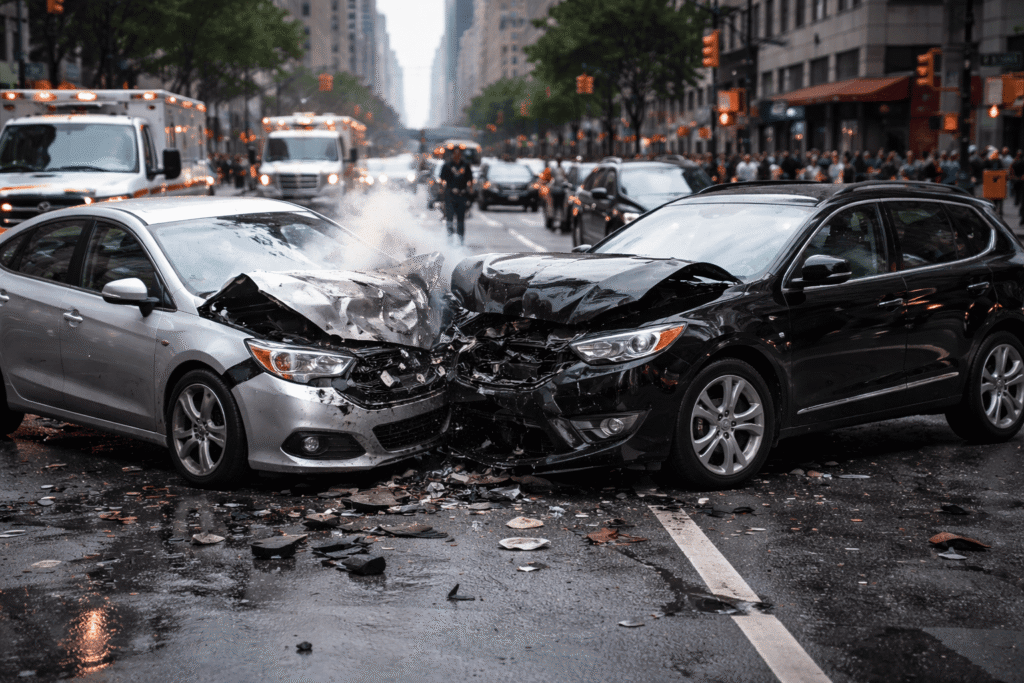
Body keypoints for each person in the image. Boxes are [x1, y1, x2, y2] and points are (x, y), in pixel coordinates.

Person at [440, 147, 473, 245]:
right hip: (450, 195)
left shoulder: (465, 166)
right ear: (452, 155)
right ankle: (449, 239)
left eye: (459, 153)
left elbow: (470, 180)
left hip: (462, 195)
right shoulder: (447, 166)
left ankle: (461, 240)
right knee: (449, 218)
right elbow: (442, 179)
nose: (457, 155)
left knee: (461, 219)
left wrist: (470, 191)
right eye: (455, 153)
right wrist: (443, 189)